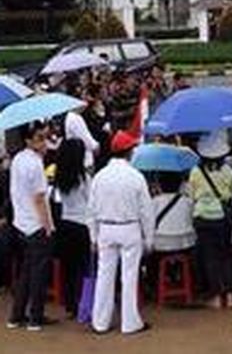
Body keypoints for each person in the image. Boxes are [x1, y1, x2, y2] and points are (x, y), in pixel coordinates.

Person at [88, 131, 154, 335]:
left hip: (106, 229)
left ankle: (100, 322)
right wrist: (149, 238)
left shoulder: (99, 176)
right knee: (129, 276)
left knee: (105, 276)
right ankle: (130, 322)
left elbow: (91, 209)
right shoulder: (135, 176)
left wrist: (93, 236)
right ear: (130, 152)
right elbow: (146, 211)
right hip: (129, 228)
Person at [6, 122, 55, 332]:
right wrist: (47, 226)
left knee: (26, 272)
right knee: (37, 274)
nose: (44, 142)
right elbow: (39, 199)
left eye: (44, 137)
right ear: (28, 141)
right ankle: (35, 317)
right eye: (40, 138)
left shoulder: (18, 159)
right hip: (35, 225)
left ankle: (16, 316)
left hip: (20, 223)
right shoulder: (34, 164)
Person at [187, 131, 232, 309]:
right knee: (225, 255)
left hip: (203, 218)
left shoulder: (195, 171)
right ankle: (231, 296)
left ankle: (216, 297)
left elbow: (192, 195)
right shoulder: (228, 171)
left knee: (210, 258)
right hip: (222, 218)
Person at [54, 138, 91, 318]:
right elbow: (91, 202)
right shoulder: (83, 178)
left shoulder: (59, 177)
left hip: (65, 224)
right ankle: (83, 302)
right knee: (83, 268)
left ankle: (70, 303)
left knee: (68, 267)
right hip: (82, 225)